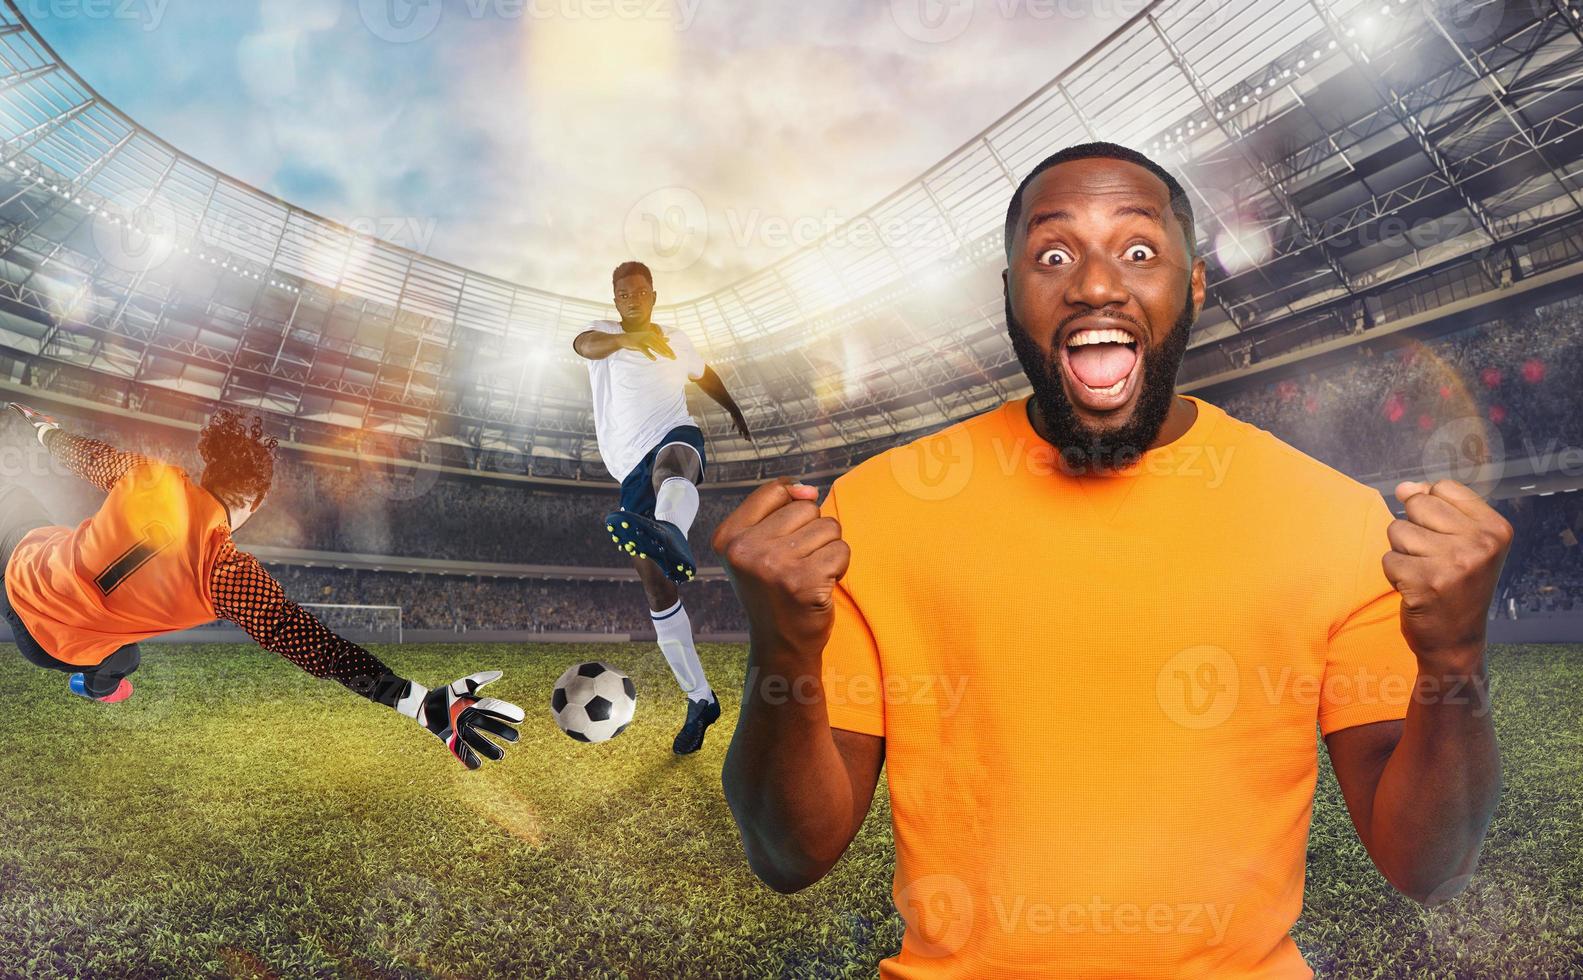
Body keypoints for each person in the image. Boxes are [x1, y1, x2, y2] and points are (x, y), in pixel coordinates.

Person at [718, 142, 1509, 976]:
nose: (1095, 284)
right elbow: (786, 853)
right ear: (1009, 296)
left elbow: (1429, 866)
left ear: (1193, 285)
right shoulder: (874, 511)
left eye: (1138, 250)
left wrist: (1454, 659)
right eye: (1052, 254)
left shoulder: (1335, 521)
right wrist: (782, 651)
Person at [1, 403, 523, 769]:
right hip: (54, 650)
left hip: (18, 568)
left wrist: (41, 428)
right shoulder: (227, 577)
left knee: (17, 496)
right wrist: (417, 702)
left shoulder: (150, 478)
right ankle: (96, 686)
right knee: (123, 662)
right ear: (255, 502)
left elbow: (83, 453)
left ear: (209, 471)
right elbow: (317, 647)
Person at [572, 260, 752, 754]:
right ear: (616, 301)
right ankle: (700, 700)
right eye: (622, 293)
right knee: (656, 587)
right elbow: (582, 345)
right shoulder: (604, 336)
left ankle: (671, 531)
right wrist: (629, 341)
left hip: (674, 433)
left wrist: (731, 405)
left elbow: (704, 372)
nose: (631, 299)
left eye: (639, 292)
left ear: (653, 295)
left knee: (672, 465)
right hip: (627, 465)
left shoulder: (675, 336)